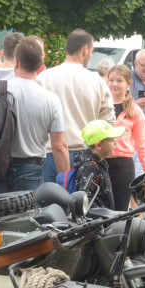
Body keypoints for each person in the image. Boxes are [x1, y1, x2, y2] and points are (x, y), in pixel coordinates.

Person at [0, 36, 68, 196]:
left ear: (16, 61)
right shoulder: (51, 99)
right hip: (31, 170)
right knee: (28, 212)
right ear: (40, 64)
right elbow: (59, 146)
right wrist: (65, 183)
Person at [36, 29, 113, 184]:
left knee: (49, 199)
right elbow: (108, 122)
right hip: (86, 153)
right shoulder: (97, 81)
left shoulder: (43, 78)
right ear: (85, 50)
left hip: (50, 153)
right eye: (91, 51)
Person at [106, 64, 145, 209]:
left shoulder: (134, 110)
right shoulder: (101, 106)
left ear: (128, 84)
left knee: (119, 210)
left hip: (123, 166)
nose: (114, 84)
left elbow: (143, 144)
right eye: (111, 80)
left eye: (119, 81)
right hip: (101, 163)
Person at [71, 120, 122, 209]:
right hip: (98, 217)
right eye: (111, 140)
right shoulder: (90, 166)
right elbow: (85, 199)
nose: (115, 143)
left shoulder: (100, 162)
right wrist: (103, 214)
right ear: (98, 145)